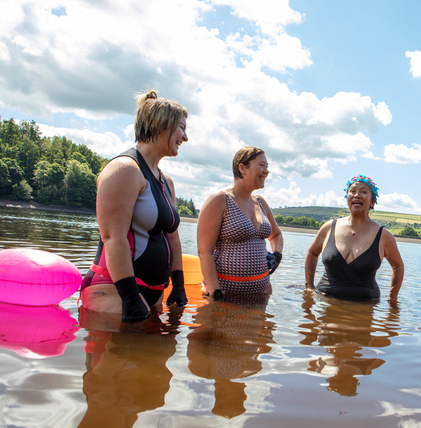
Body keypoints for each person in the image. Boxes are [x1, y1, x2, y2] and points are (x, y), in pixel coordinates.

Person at [81, 90, 189, 323]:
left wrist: (178, 285)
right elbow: (112, 237)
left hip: (153, 295)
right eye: (181, 127)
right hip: (114, 291)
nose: (185, 137)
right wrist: (130, 296)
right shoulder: (124, 169)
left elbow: (173, 239)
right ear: (161, 125)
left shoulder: (166, 181)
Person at [197, 147, 283, 301]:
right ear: (242, 168)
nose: (266, 171)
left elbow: (276, 235)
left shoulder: (261, 202)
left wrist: (277, 254)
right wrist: (215, 292)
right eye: (262, 165)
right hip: (225, 295)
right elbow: (205, 252)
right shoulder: (219, 200)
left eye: (267, 166)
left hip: (261, 294)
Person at [305, 175, 404, 303]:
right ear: (347, 198)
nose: (357, 195)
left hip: (365, 305)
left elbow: (398, 266)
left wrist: (392, 298)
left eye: (363, 191)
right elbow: (312, 253)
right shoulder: (329, 227)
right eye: (352, 191)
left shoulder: (384, 235)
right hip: (325, 300)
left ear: (373, 201)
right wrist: (309, 286)